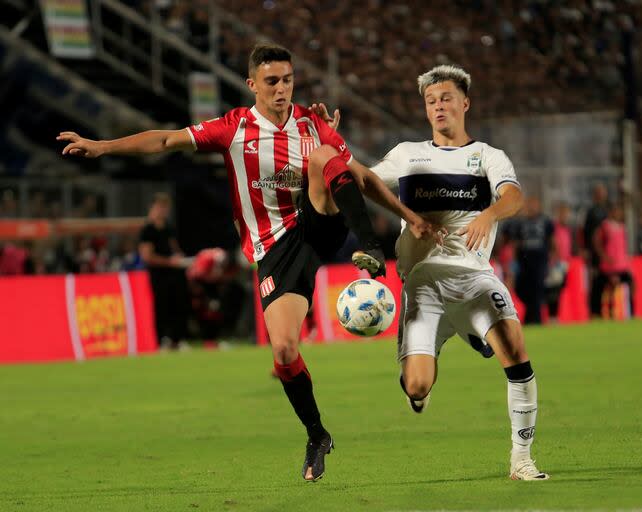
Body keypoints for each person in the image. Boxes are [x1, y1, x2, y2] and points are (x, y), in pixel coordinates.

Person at [57, 44, 433, 482]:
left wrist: (408, 217)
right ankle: (317, 435)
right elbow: (165, 140)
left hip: (317, 224)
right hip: (274, 250)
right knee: (284, 351)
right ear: (252, 84)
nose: (281, 89)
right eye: (271, 81)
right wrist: (102, 147)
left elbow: (363, 177)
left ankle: (368, 245)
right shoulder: (234, 127)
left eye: (288, 80)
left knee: (324, 157)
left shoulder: (311, 124)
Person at [370, 65, 549, 480]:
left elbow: (514, 196)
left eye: (446, 98)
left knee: (517, 352)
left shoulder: (487, 156)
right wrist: (333, 147)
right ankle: (443, 358)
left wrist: (489, 213)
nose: (438, 107)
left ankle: (521, 459)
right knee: (416, 385)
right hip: (423, 284)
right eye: (431, 101)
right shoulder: (406, 154)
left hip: (473, 278)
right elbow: (363, 180)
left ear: (465, 103)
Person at [138, 193, 189, 349]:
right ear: (152, 207)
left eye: (165, 207)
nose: (163, 210)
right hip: (158, 274)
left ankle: (177, 339)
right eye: (160, 206)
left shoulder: (168, 227)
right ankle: (161, 340)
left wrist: (181, 258)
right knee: (161, 306)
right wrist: (169, 262)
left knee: (178, 304)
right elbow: (147, 256)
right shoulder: (148, 229)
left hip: (173, 273)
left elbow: (174, 248)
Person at [511, 196, 554, 325]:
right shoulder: (521, 223)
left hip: (540, 261)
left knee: (537, 290)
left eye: (534, 205)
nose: (532, 208)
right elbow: (516, 243)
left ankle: (535, 320)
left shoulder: (546, 221)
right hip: (524, 262)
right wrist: (513, 263)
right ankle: (531, 316)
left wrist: (553, 260)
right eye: (530, 205)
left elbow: (552, 242)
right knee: (522, 289)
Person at [593, 202, 634, 317]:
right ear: (611, 212)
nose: (617, 213)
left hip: (622, 264)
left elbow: (624, 245)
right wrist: (604, 256)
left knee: (630, 284)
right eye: (615, 211)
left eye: (619, 211)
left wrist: (627, 258)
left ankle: (630, 312)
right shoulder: (604, 226)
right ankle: (606, 312)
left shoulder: (622, 226)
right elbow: (597, 242)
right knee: (608, 288)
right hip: (609, 265)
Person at [583, 184, 609, 317]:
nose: (602, 195)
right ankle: (594, 311)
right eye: (600, 192)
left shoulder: (606, 211)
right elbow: (586, 232)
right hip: (595, 254)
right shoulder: (592, 212)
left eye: (603, 192)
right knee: (595, 281)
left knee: (604, 281)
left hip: (606, 254)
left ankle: (604, 310)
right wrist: (586, 249)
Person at [545, 202, 573, 321]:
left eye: (566, 214)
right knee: (553, 290)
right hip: (555, 264)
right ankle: (552, 317)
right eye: (562, 213)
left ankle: (555, 316)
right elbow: (552, 244)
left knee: (559, 290)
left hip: (564, 263)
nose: (564, 216)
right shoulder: (554, 227)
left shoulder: (567, 229)